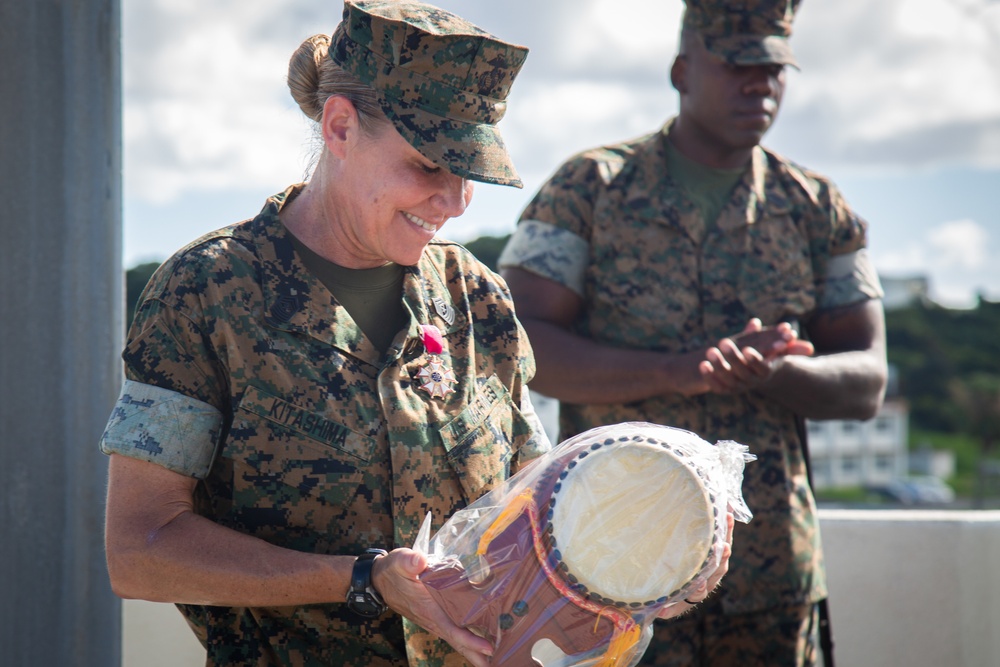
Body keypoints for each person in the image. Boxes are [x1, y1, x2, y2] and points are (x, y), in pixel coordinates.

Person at [100, 2, 732, 666]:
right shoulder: (207, 292)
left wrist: (658, 561)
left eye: (469, 174)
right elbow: (140, 549)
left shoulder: (475, 298)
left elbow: (535, 526)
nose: (457, 201)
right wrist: (362, 578)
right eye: (431, 165)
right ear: (340, 126)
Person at [498, 0, 888, 665]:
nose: (759, 84)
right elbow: (519, 347)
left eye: (774, 68)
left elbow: (868, 378)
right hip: (614, 567)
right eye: (738, 64)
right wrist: (677, 369)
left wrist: (780, 374)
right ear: (682, 70)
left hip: (766, 576)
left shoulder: (817, 207)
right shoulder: (589, 187)